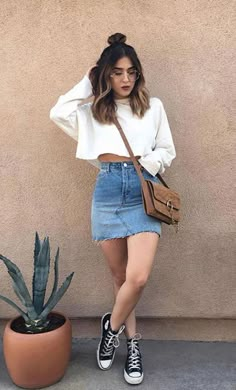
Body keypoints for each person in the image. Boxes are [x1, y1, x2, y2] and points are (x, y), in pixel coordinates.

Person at [50, 32, 176, 385]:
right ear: (106, 74)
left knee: (138, 278)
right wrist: (88, 79)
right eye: (117, 72)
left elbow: (167, 149)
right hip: (107, 192)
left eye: (131, 72)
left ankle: (112, 328)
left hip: (142, 191)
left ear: (138, 74)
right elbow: (57, 112)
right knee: (120, 279)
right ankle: (132, 344)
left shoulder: (154, 107)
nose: (125, 79)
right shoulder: (93, 112)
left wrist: (144, 165)